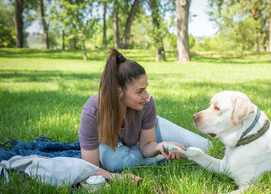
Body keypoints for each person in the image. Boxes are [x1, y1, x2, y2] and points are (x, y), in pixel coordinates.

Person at [79, 49, 211, 184]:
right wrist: (115, 177)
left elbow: (147, 146)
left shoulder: (147, 104)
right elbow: (90, 167)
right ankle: (159, 159)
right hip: (116, 144)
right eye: (140, 91)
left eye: (145, 88)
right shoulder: (93, 110)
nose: (146, 95)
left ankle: (139, 154)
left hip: (147, 132)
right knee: (113, 163)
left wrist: (159, 146)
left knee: (205, 146)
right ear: (119, 92)